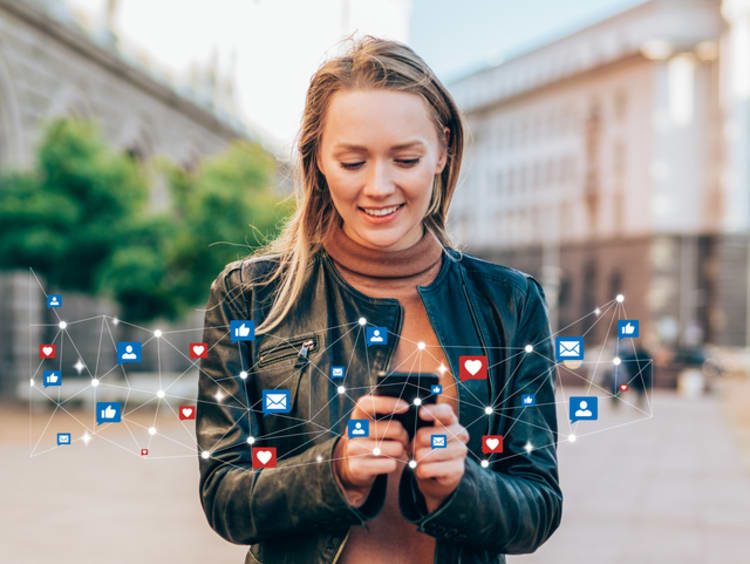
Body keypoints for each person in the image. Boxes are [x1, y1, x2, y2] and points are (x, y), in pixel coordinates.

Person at [196, 35, 562, 564]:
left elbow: (539, 506)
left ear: (443, 150)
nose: (379, 187)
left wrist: (461, 487)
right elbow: (224, 497)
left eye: (406, 159)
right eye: (352, 162)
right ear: (317, 157)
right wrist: (335, 468)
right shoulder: (249, 297)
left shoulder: (510, 302)